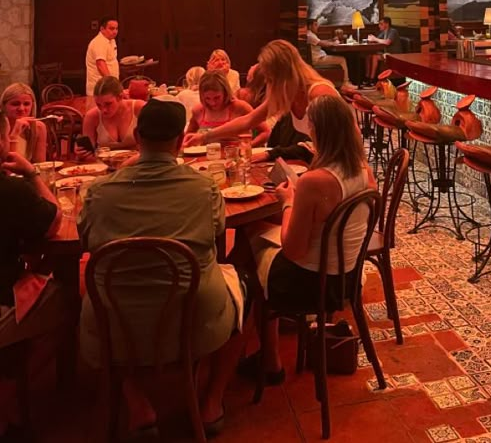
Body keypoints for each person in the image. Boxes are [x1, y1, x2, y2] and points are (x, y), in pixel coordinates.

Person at [78, 99, 247, 437]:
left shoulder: (98, 192)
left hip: (114, 319)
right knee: (244, 287)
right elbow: (217, 242)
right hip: (193, 315)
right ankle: (211, 400)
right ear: (182, 141)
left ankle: (137, 402)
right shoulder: (204, 188)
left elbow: (86, 243)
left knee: (95, 294)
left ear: (137, 137)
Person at [246, 94, 376, 380]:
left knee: (246, 251)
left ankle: (270, 359)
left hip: (310, 283)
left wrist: (288, 201)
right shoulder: (365, 172)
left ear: (318, 130)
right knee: (257, 239)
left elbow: (292, 251)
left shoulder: (314, 182)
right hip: (348, 276)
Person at [0, 107, 67, 438]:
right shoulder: (11, 191)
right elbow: (55, 223)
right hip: (1, 303)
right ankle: (7, 400)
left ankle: (10, 368)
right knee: (70, 303)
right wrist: (32, 175)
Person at [184, 40, 339, 148]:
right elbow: (248, 120)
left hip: (343, 166)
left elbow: (344, 142)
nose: (268, 83)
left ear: (283, 73)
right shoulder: (288, 92)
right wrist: (204, 137)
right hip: (322, 161)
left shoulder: (319, 93)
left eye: (270, 78)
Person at [78, 76, 144, 156]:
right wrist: (82, 154)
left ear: (120, 97)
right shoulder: (92, 116)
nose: (103, 110)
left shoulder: (139, 108)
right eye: (98, 105)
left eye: (108, 104)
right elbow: (89, 155)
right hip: (104, 164)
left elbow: (154, 146)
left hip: (136, 162)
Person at [187, 71, 252, 137]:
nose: (212, 103)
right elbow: (188, 137)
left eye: (217, 98)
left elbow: (263, 132)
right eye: (207, 98)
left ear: (225, 92)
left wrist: (250, 145)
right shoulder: (198, 110)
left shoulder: (241, 107)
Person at [0, 83, 47, 163]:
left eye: (26, 104)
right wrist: (14, 135)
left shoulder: (38, 127)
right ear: (3, 105)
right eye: (15, 104)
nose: (21, 108)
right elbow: (7, 167)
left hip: (28, 174)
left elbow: (40, 164)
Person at [306, 17, 351, 87]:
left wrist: (331, 40)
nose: (317, 27)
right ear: (309, 26)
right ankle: (346, 83)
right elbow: (323, 44)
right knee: (342, 60)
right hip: (317, 60)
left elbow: (321, 41)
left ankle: (344, 82)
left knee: (341, 59)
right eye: (315, 25)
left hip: (319, 57)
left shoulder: (310, 34)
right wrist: (334, 43)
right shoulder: (309, 35)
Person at [85, 17, 119, 96]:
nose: (115, 31)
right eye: (111, 28)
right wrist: (112, 84)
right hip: (100, 88)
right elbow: (100, 64)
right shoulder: (99, 42)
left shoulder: (111, 40)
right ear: (102, 29)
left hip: (107, 87)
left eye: (116, 29)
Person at [366, 16, 403, 81]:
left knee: (375, 57)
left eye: (381, 24)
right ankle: (367, 78)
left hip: (394, 54)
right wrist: (372, 39)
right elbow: (377, 40)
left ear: (387, 24)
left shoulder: (393, 31)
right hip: (386, 53)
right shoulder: (383, 32)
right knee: (368, 56)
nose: (379, 26)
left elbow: (387, 42)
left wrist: (375, 39)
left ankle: (372, 80)